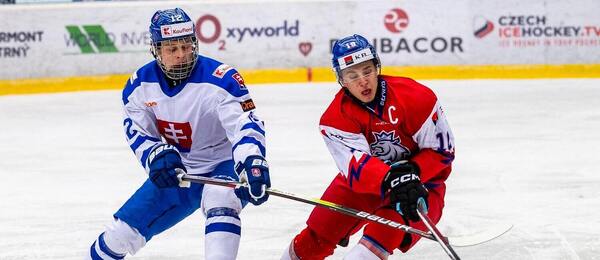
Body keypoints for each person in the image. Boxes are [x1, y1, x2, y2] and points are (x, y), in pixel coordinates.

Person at [87, 8, 270, 260]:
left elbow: (244, 126)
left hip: (224, 164)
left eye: (186, 46)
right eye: (172, 49)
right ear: (156, 50)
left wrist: (251, 162)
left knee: (220, 198)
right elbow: (138, 132)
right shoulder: (139, 85)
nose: (182, 55)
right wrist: (156, 156)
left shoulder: (222, 79)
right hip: (181, 171)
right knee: (119, 235)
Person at [281, 34, 455, 260]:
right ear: (341, 80)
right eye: (352, 75)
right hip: (363, 186)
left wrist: (414, 173)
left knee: (367, 251)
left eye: (367, 71)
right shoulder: (335, 119)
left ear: (377, 68)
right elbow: (356, 168)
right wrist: (392, 177)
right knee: (313, 240)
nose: (362, 81)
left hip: (420, 187)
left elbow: (442, 151)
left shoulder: (417, 97)